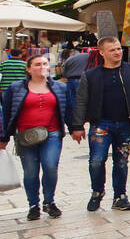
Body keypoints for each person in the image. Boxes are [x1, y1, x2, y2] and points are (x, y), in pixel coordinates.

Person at [73, 36, 130, 212]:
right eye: (112, 50)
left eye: (119, 48)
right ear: (102, 53)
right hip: (101, 124)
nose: (117, 52)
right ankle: (97, 192)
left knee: (121, 162)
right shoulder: (90, 75)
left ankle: (120, 196)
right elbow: (81, 101)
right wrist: (77, 126)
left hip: (126, 123)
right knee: (96, 161)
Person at [1, 54, 81, 220]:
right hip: (25, 136)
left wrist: (75, 128)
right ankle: (33, 205)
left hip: (52, 133)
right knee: (30, 172)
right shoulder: (16, 88)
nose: (42, 67)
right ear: (29, 69)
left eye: (45, 63)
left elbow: (68, 109)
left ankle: (49, 202)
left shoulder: (59, 87)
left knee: (50, 166)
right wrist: (4, 136)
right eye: (37, 64)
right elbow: (7, 112)